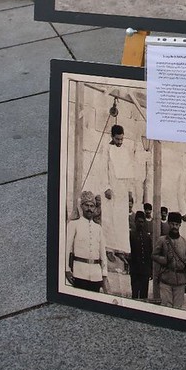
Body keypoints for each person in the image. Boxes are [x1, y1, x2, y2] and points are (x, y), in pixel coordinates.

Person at [100, 124, 136, 262]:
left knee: (121, 220)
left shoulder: (126, 150)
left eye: (121, 139)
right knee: (109, 218)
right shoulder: (106, 149)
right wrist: (106, 187)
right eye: (117, 139)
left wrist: (130, 191)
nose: (120, 142)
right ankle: (109, 248)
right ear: (112, 137)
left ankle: (121, 248)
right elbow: (102, 169)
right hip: (111, 188)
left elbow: (129, 171)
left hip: (122, 189)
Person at [65, 191, 109, 293]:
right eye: (87, 205)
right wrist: (66, 270)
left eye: (92, 206)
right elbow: (66, 249)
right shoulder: (73, 224)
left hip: (96, 275)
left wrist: (104, 274)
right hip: (79, 273)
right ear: (81, 206)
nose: (89, 209)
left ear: (95, 208)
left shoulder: (98, 228)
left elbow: (103, 253)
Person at [152, 211, 186, 309]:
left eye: (177, 224)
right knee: (166, 307)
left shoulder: (185, 242)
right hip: (165, 279)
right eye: (172, 224)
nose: (174, 227)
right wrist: (164, 260)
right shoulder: (162, 240)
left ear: (180, 225)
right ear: (168, 224)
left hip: (180, 282)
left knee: (178, 308)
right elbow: (154, 255)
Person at [129, 210, 153, 299]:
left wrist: (150, 270)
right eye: (139, 222)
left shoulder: (147, 236)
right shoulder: (131, 235)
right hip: (135, 271)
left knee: (144, 296)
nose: (141, 224)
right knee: (135, 294)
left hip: (145, 272)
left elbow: (150, 253)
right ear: (135, 222)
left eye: (142, 222)